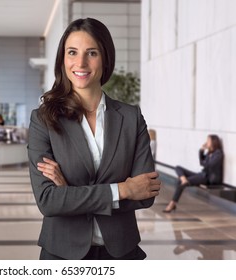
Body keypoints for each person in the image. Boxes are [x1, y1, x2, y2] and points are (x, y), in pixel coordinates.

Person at [27, 18, 161, 260]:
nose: (81, 63)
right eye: (72, 53)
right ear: (62, 59)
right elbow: (48, 201)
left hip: (122, 252)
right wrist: (123, 189)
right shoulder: (44, 119)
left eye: (92, 53)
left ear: (105, 58)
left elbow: (146, 193)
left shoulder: (131, 117)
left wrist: (70, 193)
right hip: (62, 253)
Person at [163, 134, 224, 213]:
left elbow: (208, 165)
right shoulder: (210, 153)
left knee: (180, 183)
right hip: (203, 174)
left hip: (208, 178)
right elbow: (202, 163)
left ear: (214, 142)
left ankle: (172, 204)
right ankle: (183, 179)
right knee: (178, 168)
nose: (206, 142)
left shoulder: (218, 154)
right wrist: (201, 151)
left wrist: (205, 158)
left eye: (208, 141)